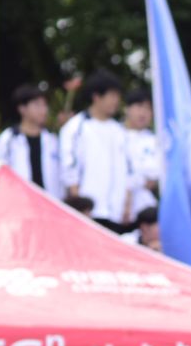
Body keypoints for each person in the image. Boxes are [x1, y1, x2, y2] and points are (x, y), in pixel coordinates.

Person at [60, 70, 133, 230]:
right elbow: (69, 169)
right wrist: (79, 205)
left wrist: (127, 204)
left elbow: (128, 170)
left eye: (117, 96)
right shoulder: (76, 127)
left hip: (115, 212)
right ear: (97, 97)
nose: (116, 101)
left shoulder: (119, 131)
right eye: (112, 96)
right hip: (89, 212)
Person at [0, 84, 64, 197]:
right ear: (22, 109)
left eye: (44, 105)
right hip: (19, 200)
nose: (43, 110)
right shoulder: (8, 139)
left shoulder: (52, 140)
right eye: (37, 105)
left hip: (48, 200)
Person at [122, 87, 160, 220]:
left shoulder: (156, 141)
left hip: (146, 209)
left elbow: (153, 176)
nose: (143, 112)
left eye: (148, 108)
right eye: (139, 106)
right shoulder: (116, 136)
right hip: (116, 207)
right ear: (127, 109)